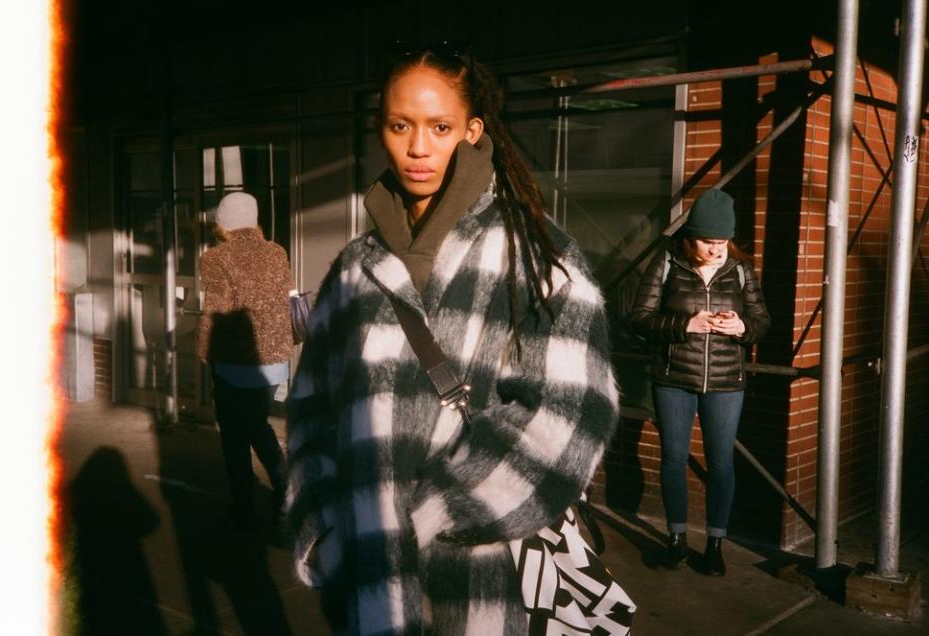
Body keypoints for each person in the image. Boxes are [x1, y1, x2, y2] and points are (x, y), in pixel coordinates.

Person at [283, 46, 619, 634]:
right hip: (364, 590)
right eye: (400, 126)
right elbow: (312, 407)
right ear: (380, 129)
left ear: (472, 131)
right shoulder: (353, 268)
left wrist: (427, 517)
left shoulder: (535, 255)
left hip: (483, 587)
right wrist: (325, 530)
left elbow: (571, 417)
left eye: (439, 127)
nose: (418, 148)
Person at [630, 188, 771, 576]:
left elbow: (762, 323)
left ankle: (714, 545)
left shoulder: (742, 271)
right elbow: (638, 318)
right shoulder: (667, 264)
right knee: (674, 460)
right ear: (691, 237)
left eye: (723, 241)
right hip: (674, 379)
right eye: (709, 242)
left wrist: (742, 327)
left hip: (727, 382)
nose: (717, 249)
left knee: (721, 463)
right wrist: (684, 325)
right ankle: (676, 541)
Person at [197, 191, 294, 531]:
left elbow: (218, 312)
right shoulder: (276, 252)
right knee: (258, 426)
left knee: (235, 435)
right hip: (275, 361)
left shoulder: (214, 258)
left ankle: (246, 505)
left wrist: (204, 352)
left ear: (224, 222)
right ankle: (284, 494)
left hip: (235, 363)